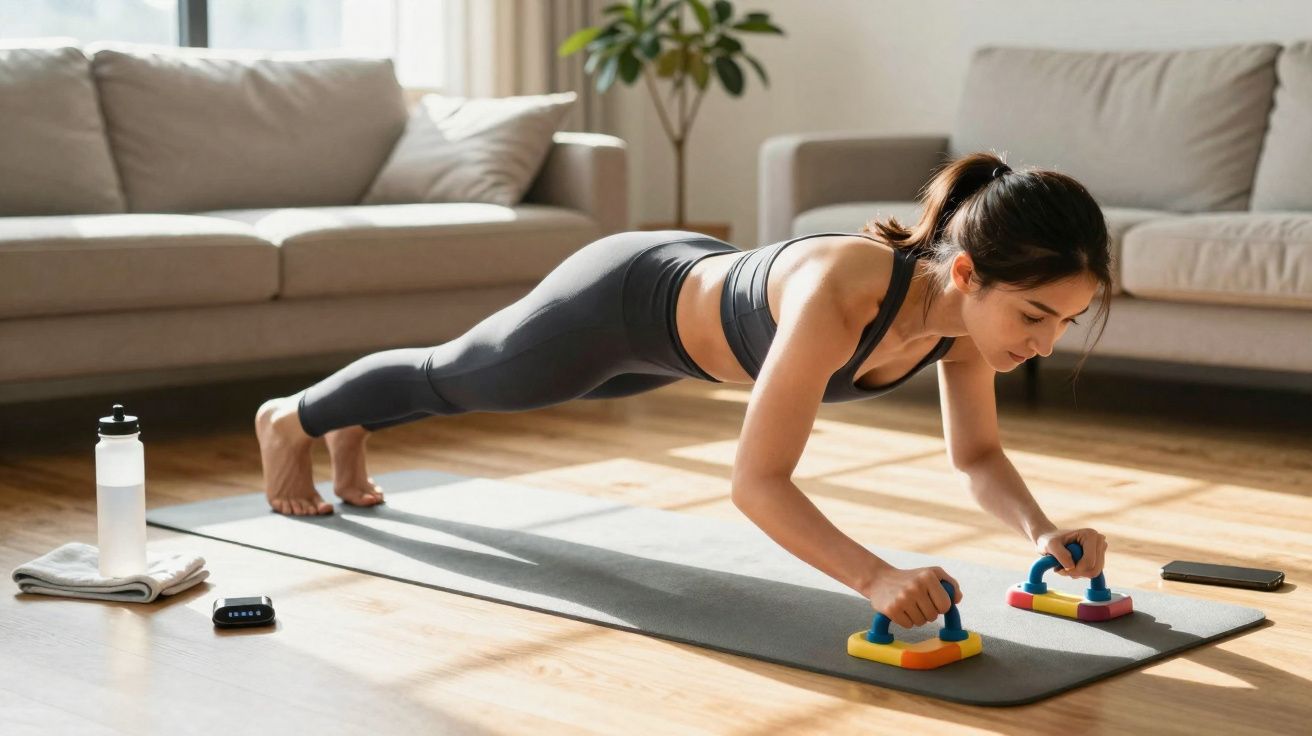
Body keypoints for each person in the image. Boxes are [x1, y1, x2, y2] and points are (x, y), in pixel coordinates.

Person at [254, 151, 1113, 631]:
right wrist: (875, 577)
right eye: (1034, 315)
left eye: (1065, 324)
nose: (1041, 344)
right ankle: (292, 419)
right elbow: (756, 482)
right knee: (460, 379)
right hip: (621, 302)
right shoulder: (842, 293)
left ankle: (350, 425)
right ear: (966, 273)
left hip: (677, 348)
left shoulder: (963, 327)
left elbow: (978, 457)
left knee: (467, 387)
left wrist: (1042, 531)